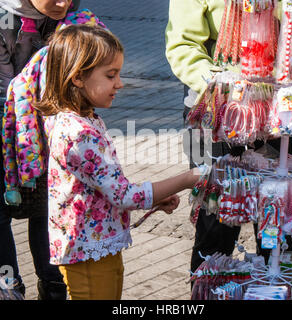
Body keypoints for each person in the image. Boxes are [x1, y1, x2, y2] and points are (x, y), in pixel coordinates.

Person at [34, 24, 200, 300]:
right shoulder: (78, 133)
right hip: (88, 253)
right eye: (111, 75)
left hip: (95, 246)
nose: (120, 84)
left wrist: (156, 196)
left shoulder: (82, 119)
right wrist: (186, 179)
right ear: (77, 77)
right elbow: (123, 195)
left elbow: (103, 187)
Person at [165, 0, 292, 278]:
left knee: (275, 231)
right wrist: (226, 87)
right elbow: (183, 46)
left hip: (281, 113)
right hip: (218, 115)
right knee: (216, 228)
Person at [0, 0, 80, 299]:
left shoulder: (70, 12)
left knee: (49, 207)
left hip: (51, 124)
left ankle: (54, 286)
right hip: (10, 125)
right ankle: (9, 289)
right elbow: (4, 89)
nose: (64, 2)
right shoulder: (3, 19)